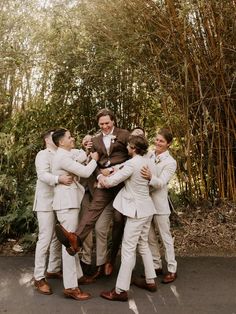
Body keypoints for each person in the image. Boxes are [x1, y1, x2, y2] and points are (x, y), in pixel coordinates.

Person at [55, 108, 130, 277]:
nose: (104, 126)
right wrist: (98, 176)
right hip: (103, 183)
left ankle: (111, 260)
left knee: (118, 220)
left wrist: (118, 170)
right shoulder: (95, 140)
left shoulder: (125, 135)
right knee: (92, 210)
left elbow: (135, 156)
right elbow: (93, 162)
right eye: (101, 124)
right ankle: (75, 240)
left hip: (122, 184)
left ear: (113, 121)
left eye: (107, 123)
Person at [100, 135, 157, 301]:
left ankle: (120, 290)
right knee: (143, 243)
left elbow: (112, 182)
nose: (126, 148)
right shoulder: (146, 162)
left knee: (127, 249)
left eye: (128, 146)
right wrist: (115, 169)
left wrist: (102, 178)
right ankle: (150, 280)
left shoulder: (132, 164)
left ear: (133, 148)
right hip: (147, 209)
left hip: (137, 212)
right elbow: (122, 168)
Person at [52, 128, 99, 300]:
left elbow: (78, 157)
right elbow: (85, 172)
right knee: (70, 244)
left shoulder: (67, 153)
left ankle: (78, 276)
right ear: (61, 142)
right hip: (66, 204)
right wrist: (94, 160)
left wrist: (86, 152)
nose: (73, 139)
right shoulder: (61, 157)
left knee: (73, 240)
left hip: (71, 202)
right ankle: (71, 287)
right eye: (69, 137)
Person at [33, 129, 73, 295]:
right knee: (45, 237)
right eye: (52, 135)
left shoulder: (63, 153)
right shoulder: (43, 154)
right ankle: (39, 277)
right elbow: (42, 175)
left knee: (60, 236)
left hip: (61, 200)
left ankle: (53, 268)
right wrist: (59, 179)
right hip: (46, 202)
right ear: (46, 139)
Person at [141, 128, 177, 283]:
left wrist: (150, 177)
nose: (157, 143)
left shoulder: (171, 162)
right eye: (156, 139)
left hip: (160, 204)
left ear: (168, 144)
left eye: (161, 141)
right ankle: (156, 265)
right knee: (149, 237)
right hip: (145, 203)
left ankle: (171, 269)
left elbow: (161, 182)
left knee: (165, 237)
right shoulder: (148, 154)